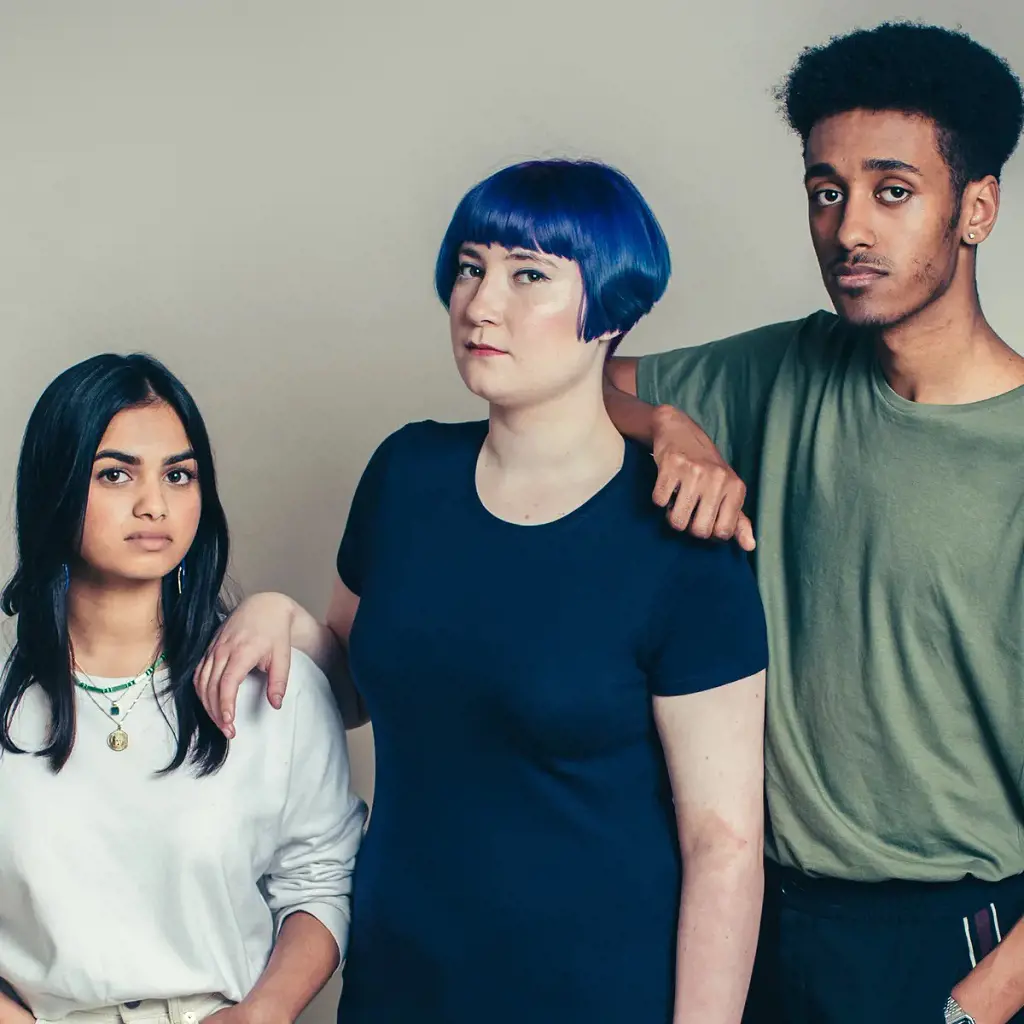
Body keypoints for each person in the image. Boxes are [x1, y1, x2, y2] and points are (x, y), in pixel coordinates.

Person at [194, 159, 769, 1024]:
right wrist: (283, 618)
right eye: (471, 267)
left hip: (594, 997)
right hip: (398, 981)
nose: (481, 303)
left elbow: (723, 843)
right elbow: (349, 685)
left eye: (528, 275)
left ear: (610, 307)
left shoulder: (683, 540)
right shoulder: (406, 473)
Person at [599, 21, 1024, 1024]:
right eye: (824, 190)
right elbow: (568, 385)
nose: (848, 230)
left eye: (891, 189)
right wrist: (667, 426)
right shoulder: (785, 368)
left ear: (975, 210)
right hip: (763, 918)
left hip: (954, 939)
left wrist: (975, 1006)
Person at [0, 355, 366, 1024]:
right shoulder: (7, 699)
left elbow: (322, 876)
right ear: (55, 486)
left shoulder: (271, 687)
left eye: (178, 474)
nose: (154, 504)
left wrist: (265, 1013)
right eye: (115, 474)